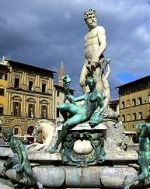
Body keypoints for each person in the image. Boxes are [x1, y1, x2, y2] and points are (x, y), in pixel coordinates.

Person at [49, 75, 104, 153]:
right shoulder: (87, 94)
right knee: (61, 107)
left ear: (94, 83)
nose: (90, 86)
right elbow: (74, 99)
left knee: (66, 125)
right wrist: (66, 89)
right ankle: (66, 119)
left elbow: (102, 107)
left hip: (84, 114)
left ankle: (55, 146)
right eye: (88, 84)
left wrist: (97, 114)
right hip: (79, 108)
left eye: (91, 83)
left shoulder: (98, 95)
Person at [80, 9, 110, 109]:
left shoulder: (100, 29)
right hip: (86, 60)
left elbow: (103, 44)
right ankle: (89, 102)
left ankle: (97, 105)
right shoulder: (86, 35)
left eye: (94, 17)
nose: (93, 19)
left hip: (97, 58)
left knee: (97, 80)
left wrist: (96, 57)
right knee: (82, 82)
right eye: (90, 18)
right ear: (86, 21)